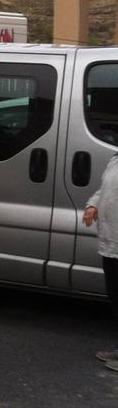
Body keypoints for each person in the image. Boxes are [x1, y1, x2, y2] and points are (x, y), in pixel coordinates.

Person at [83, 153, 118, 371]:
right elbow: (105, 189)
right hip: (111, 241)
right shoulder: (115, 159)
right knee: (115, 297)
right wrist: (93, 205)